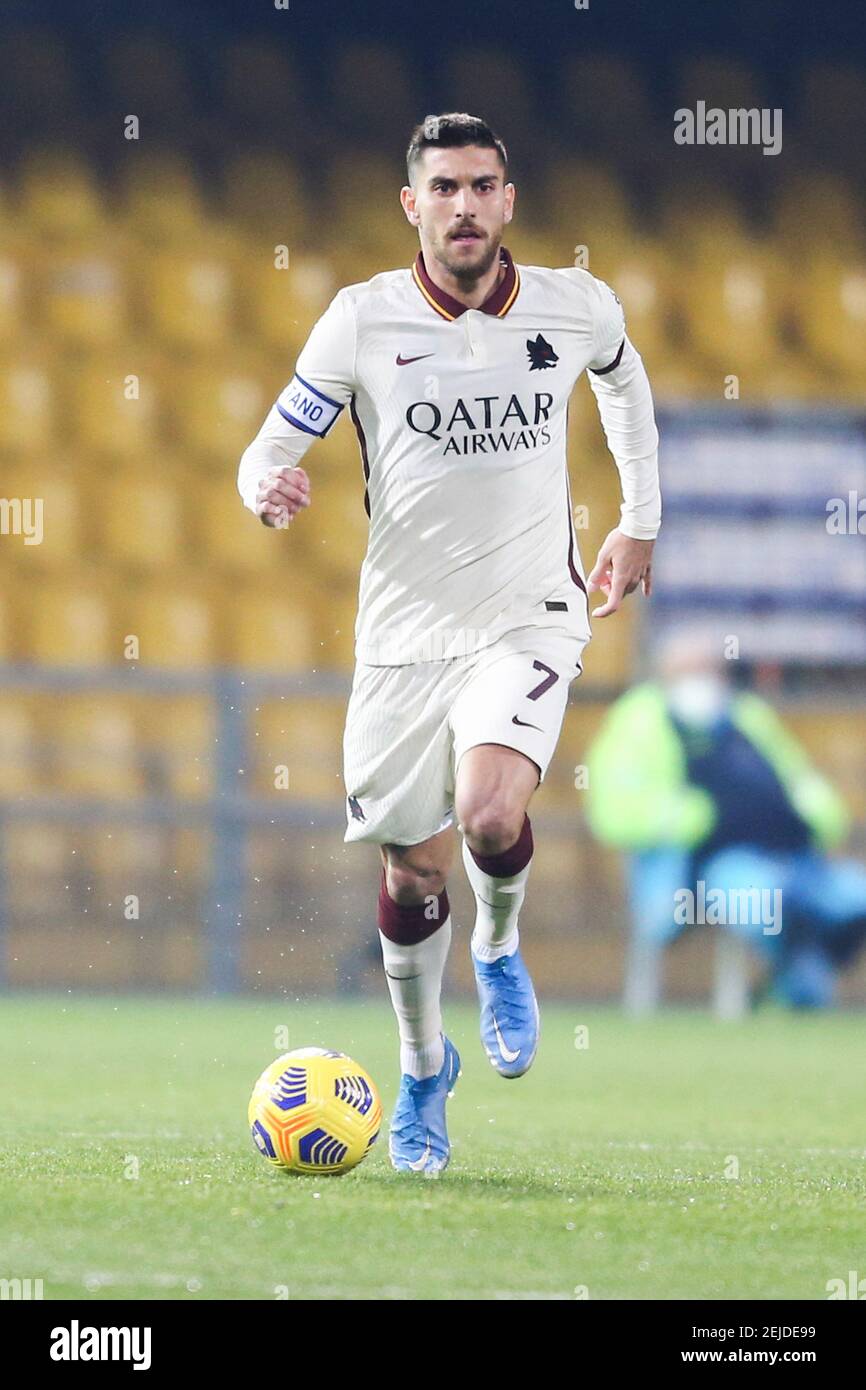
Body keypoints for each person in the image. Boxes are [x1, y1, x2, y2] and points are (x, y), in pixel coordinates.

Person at [238, 113, 660, 1172]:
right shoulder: (358, 321)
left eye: (482, 186)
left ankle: (502, 940)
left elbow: (622, 378)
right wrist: (265, 484)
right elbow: (268, 445)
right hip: (402, 636)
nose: (464, 205)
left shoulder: (573, 305)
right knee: (414, 873)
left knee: (487, 810)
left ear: (508, 201)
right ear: (411, 204)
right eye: (444, 188)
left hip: (527, 612)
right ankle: (425, 1067)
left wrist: (638, 517)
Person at [585, 636, 866, 1009]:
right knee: (762, 898)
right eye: (689, 671)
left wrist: (816, 821)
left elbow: (802, 785)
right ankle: (797, 978)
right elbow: (614, 812)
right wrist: (701, 816)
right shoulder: (638, 722)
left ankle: (802, 967)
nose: (700, 681)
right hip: (699, 865)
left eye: (708, 670)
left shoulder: (747, 716)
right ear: (662, 673)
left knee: (850, 897)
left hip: (792, 857)